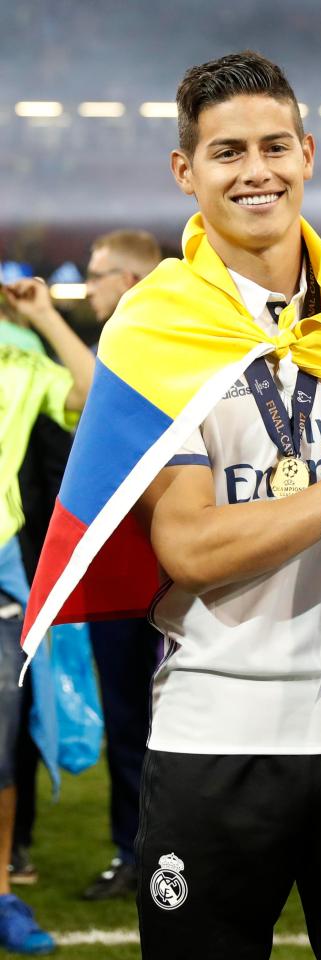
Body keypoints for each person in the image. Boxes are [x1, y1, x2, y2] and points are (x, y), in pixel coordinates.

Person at [16, 52, 321, 958]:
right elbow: (190, 546)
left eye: (272, 147)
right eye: (226, 152)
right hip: (216, 736)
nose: (254, 171)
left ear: (306, 154)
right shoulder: (154, 326)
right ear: (186, 172)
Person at [0, 279, 93, 953]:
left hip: (0, 574)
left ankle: (1, 892)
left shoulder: (22, 358)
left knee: (1, 754)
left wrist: (42, 318)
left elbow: (94, 398)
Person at [80, 230, 164, 901]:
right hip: (117, 563)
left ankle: (172, 851)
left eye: (97, 274)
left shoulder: (165, 350)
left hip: (171, 563)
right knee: (127, 716)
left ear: (130, 283)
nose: (88, 286)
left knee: (170, 717)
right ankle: (131, 851)